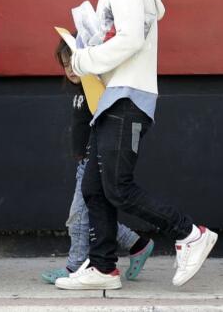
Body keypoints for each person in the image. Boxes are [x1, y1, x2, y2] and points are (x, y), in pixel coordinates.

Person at [55, 0, 216, 291]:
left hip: (127, 99)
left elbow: (129, 40)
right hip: (115, 97)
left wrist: (83, 59)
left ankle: (190, 234)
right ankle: (102, 267)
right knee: (95, 189)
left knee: (117, 187)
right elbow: (123, 36)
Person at [40, 40, 154, 284]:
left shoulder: (95, 89)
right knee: (92, 215)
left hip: (94, 161)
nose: (70, 69)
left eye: (73, 62)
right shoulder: (80, 92)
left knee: (78, 217)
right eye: (64, 65)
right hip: (84, 163)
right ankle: (137, 244)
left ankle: (75, 266)